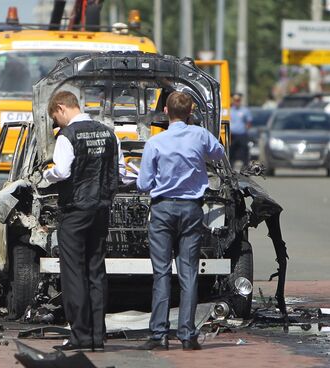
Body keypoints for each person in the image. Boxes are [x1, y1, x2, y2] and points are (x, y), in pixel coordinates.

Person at [136, 92, 225, 351]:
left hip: (163, 210)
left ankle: (159, 335)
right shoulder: (200, 135)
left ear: (165, 111)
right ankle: (187, 334)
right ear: (191, 112)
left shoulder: (155, 142)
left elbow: (143, 183)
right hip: (191, 209)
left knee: (161, 272)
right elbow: (218, 154)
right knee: (188, 273)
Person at [42, 91, 118, 352]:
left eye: (55, 117)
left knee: (73, 272)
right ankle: (98, 335)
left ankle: (81, 335)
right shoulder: (108, 133)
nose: (57, 123)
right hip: (101, 209)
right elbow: (115, 174)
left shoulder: (68, 136)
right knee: (96, 270)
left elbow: (62, 171)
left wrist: (47, 175)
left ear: (61, 108)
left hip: (75, 210)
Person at [229, 93, 252, 167]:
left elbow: (249, 121)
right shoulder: (229, 110)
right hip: (232, 135)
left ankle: (245, 169)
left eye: (238, 100)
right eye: (235, 100)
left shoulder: (245, 110)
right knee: (231, 152)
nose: (236, 102)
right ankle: (230, 169)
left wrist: (246, 129)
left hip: (242, 134)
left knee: (244, 152)